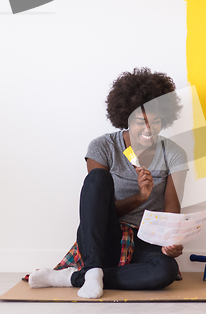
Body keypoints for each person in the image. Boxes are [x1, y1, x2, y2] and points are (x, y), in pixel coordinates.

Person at [28, 68, 188, 299]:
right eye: (139, 121)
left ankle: (73, 277)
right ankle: (92, 269)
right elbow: (97, 211)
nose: (148, 129)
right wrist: (140, 198)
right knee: (97, 178)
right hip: (105, 237)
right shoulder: (102, 147)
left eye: (156, 121)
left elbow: (172, 209)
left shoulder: (174, 154)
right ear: (125, 118)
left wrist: (173, 241)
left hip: (147, 238)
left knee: (166, 271)